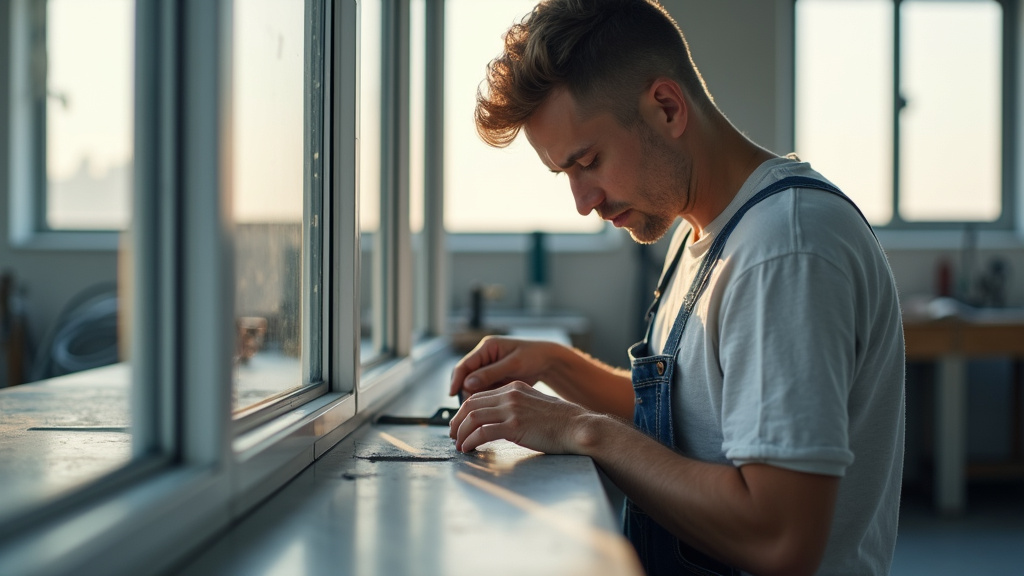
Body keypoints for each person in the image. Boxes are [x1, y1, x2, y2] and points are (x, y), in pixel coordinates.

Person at [447, 1, 905, 574]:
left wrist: (579, 429)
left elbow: (781, 537)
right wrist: (555, 365)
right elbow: (692, 419)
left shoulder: (782, 250)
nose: (583, 202)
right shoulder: (700, 230)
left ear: (666, 107)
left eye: (588, 161)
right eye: (566, 174)